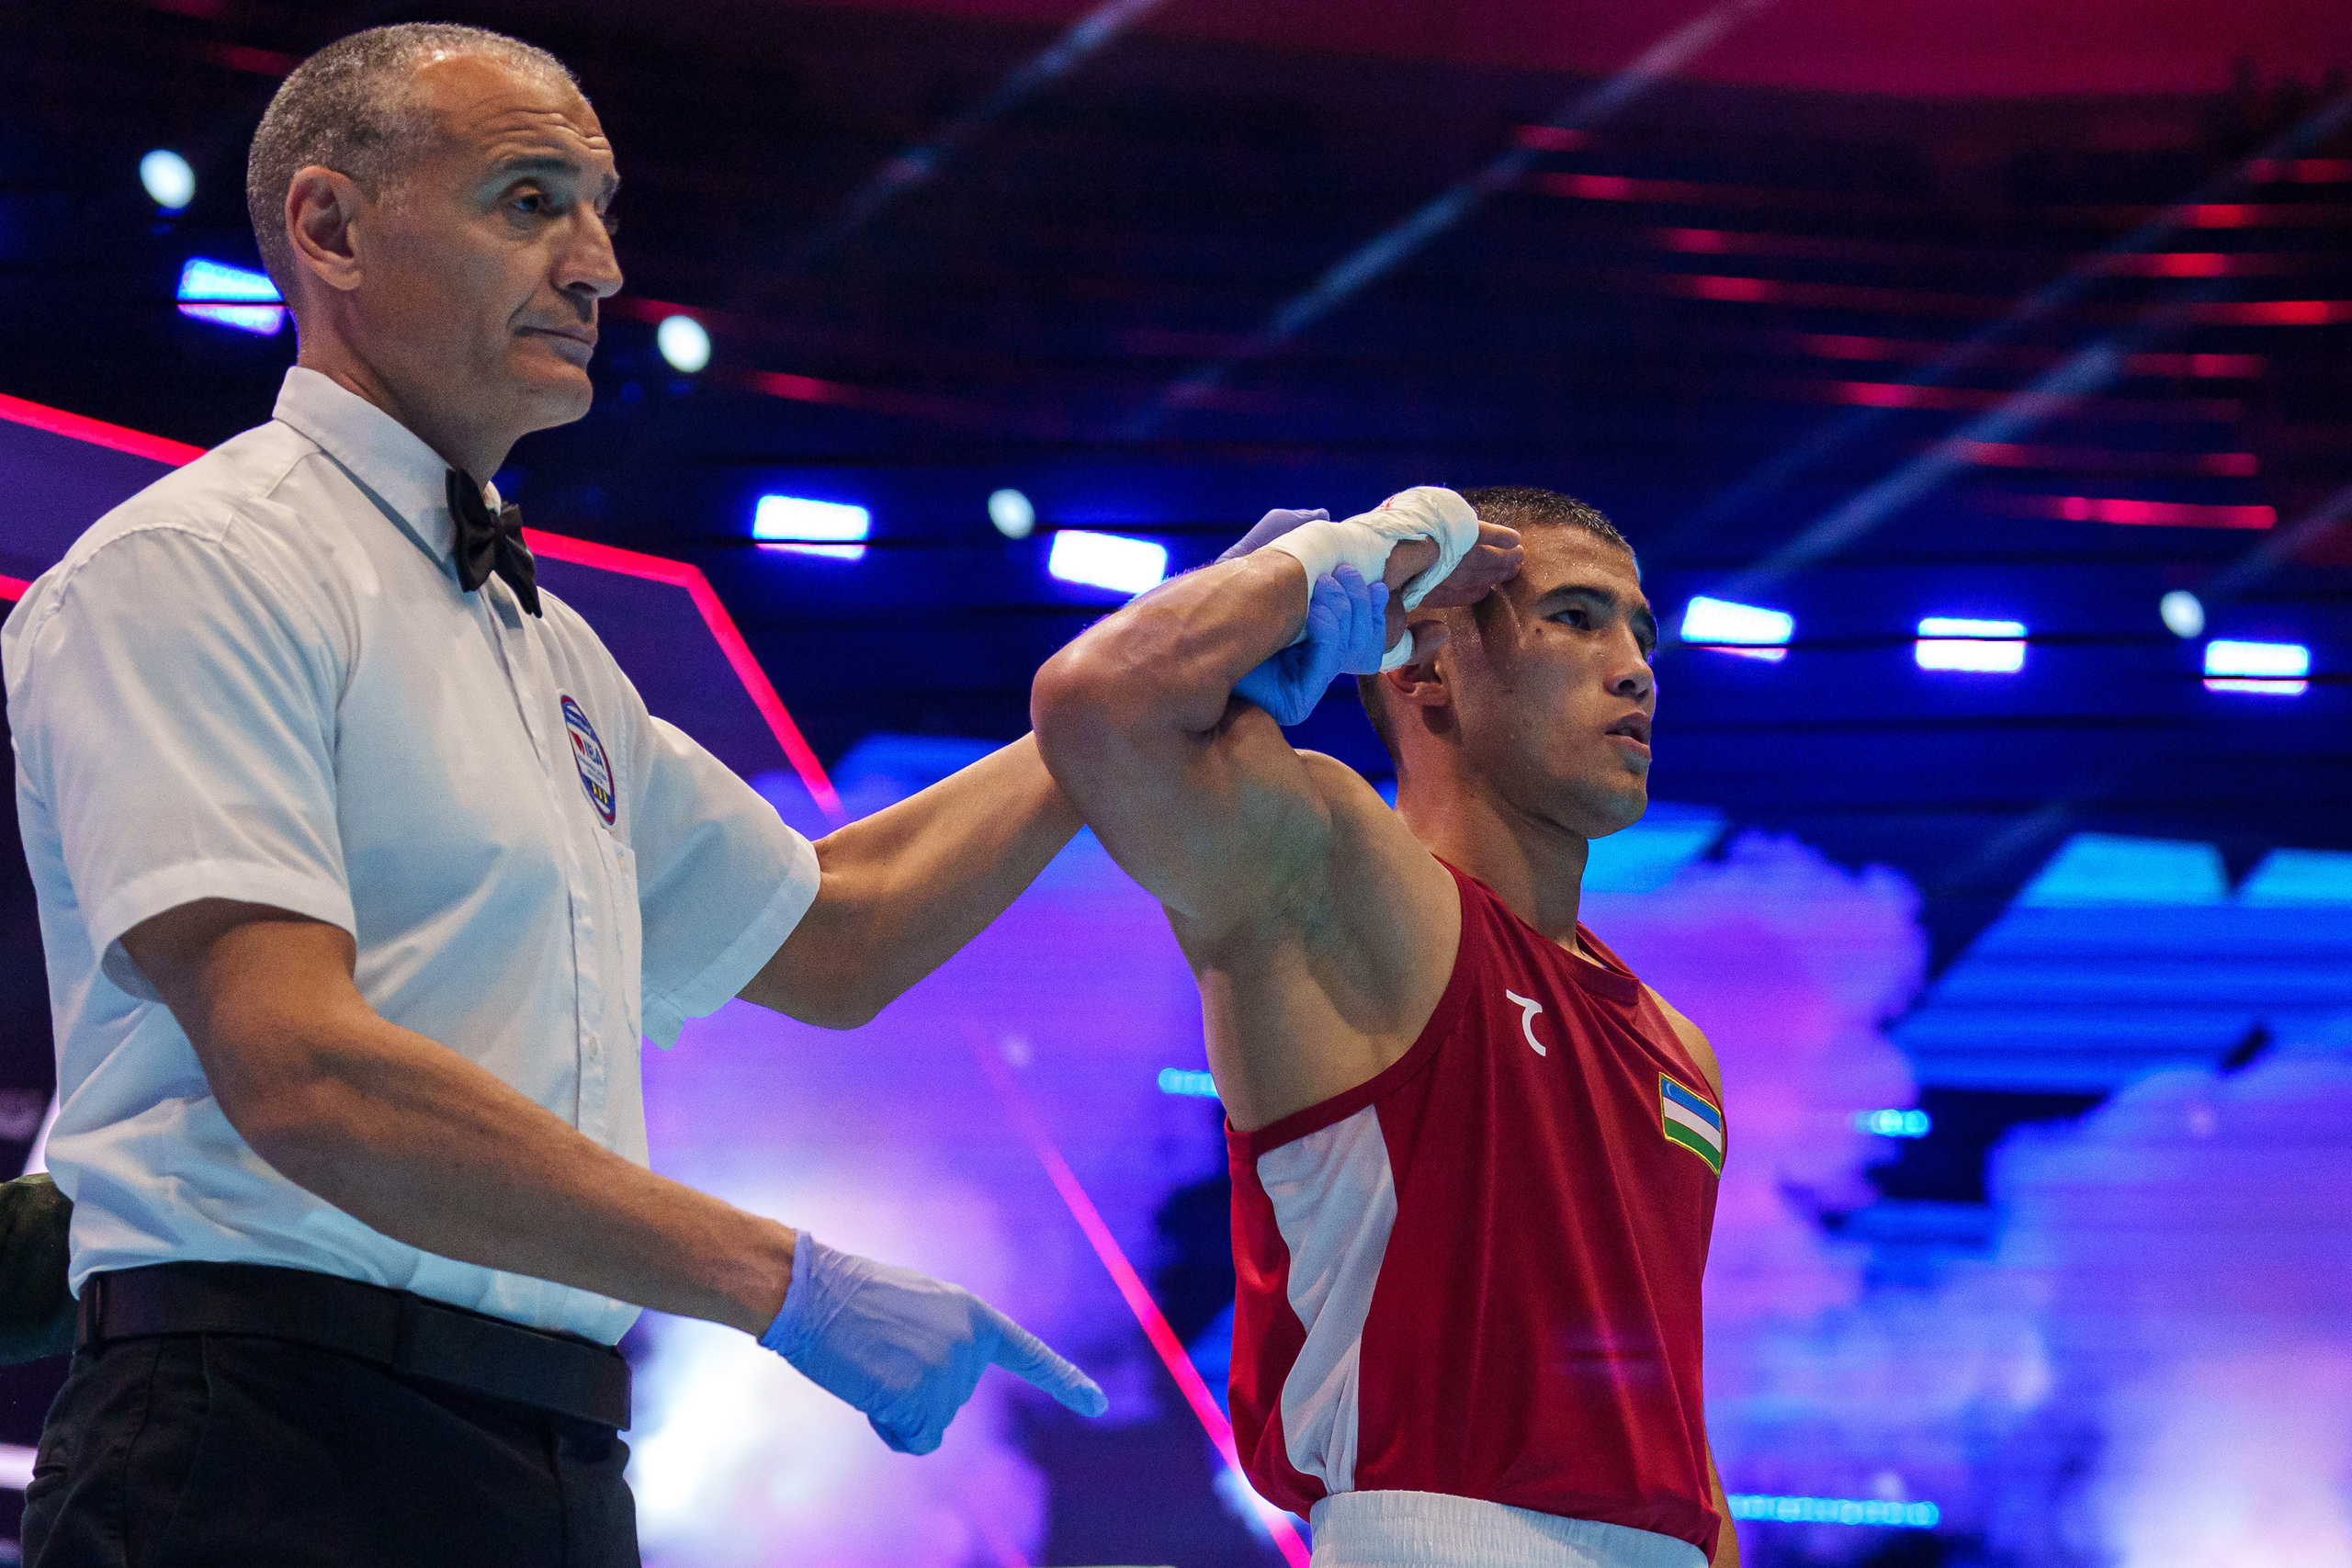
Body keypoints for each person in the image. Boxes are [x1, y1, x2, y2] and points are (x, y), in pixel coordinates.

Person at [3, 24, 1103, 1568]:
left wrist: (1123, 699)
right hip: (262, 1443)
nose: (596, 265)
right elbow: (304, 1071)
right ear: (329, 229)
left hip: (548, 1454)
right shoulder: (198, 568)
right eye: (526, 200)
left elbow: (838, 930)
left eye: (598, 209)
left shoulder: (549, 647)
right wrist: (779, 1280)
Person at [1034, 486, 1740, 1567]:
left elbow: (1675, 1448)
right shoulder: (1343, 876)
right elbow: (1097, 700)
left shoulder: (1676, 1046)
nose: (1636, 666)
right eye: (1575, 617)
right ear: (1420, 667)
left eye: (1641, 634)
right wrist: (1335, 558)